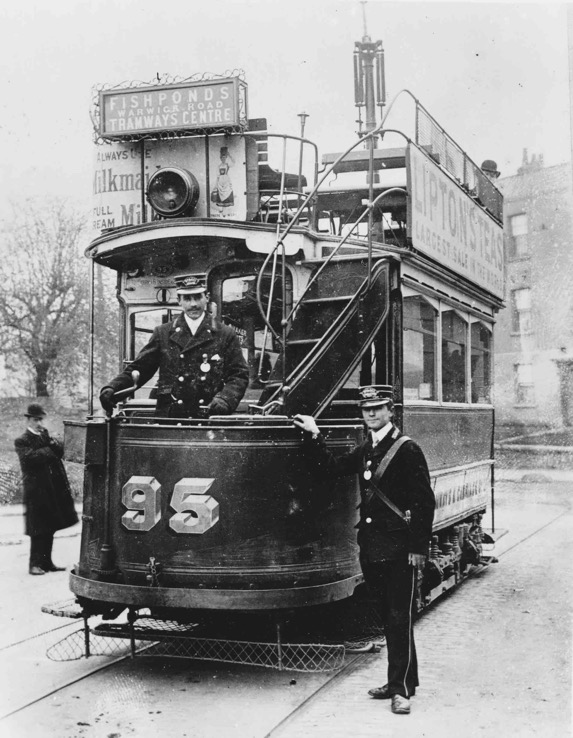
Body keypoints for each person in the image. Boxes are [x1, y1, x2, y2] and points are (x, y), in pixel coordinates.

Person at [293, 385, 435, 715]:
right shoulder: (365, 449)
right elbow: (329, 469)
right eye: (366, 409)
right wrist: (315, 435)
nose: (371, 413)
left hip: (400, 549)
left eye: (378, 408)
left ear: (391, 410)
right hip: (371, 548)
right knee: (388, 618)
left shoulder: (407, 449)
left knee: (399, 618)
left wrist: (418, 548)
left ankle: (400, 691)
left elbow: (423, 503)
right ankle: (402, 681)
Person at [100, 275, 249, 418]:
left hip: (208, 414)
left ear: (207, 298)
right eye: (187, 298)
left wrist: (225, 399)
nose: (193, 304)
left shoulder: (225, 334)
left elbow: (238, 374)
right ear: (179, 301)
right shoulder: (163, 333)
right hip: (171, 416)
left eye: (198, 297)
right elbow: (140, 368)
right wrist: (113, 388)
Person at [14, 404, 79, 575]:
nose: (38, 423)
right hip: (35, 491)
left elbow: (58, 452)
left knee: (49, 526)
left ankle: (47, 562)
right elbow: (30, 458)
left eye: (40, 419)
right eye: (35, 420)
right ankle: (34, 564)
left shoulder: (44, 436)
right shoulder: (22, 440)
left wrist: (53, 443)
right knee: (38, 529)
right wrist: (49, 448)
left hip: (50, 489)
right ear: (28, 420)